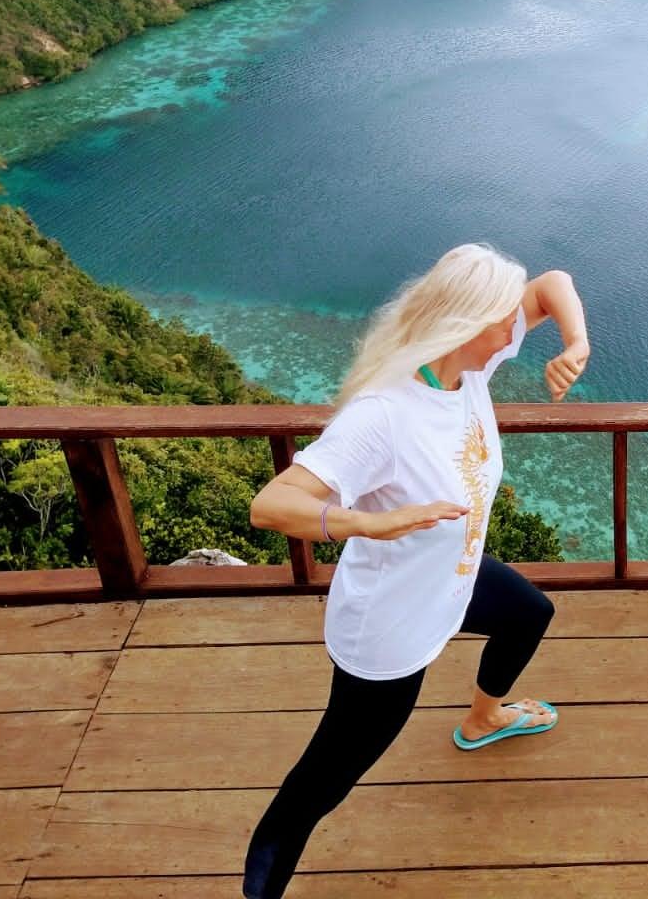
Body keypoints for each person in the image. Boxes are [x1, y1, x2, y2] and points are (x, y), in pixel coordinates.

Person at [241, 243, 590, 899]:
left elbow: (553, 285)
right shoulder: (385, 416)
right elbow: (273, 505)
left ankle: (483, 719)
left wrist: (576, 343)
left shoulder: (466, 371)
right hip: (391, 630)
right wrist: (368, 524)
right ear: (468, 325)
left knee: (528, 614)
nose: (514, 326)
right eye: (502, 320)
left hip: (451, 581)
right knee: (323, 783)